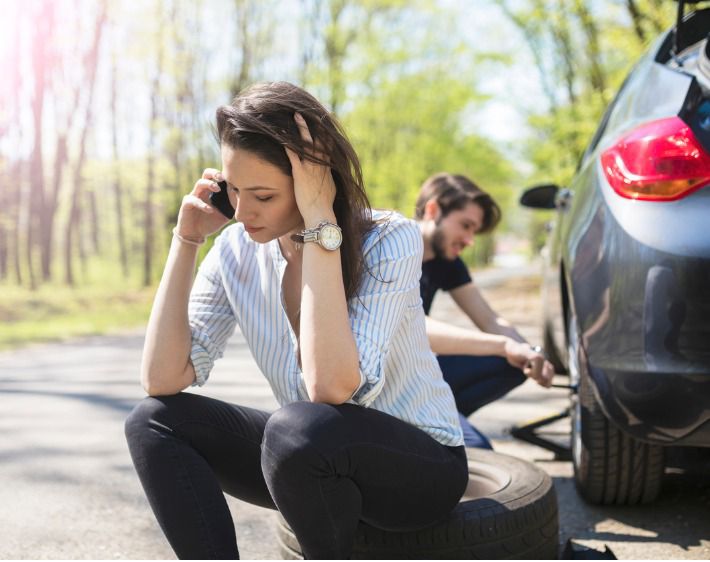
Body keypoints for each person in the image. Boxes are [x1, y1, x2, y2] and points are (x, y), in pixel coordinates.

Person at [124, 82, 468, 560]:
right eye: (235, 190)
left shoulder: (391, 240)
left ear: (313, 181)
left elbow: (331, 388)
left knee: (299, 428)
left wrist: (318, 223)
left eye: (263, 195)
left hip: (419, 470)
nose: (242, 213)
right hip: (308, 458)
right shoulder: (234, 250)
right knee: (154, 421)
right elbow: (161, 378)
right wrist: (185, 241)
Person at [415, 173, 555, 449]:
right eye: (465, 226)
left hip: (419, 370)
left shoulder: (447, 261)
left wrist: (530, 353)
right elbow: (410, 326)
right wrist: (503, 345)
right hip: (385, 380)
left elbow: (488, 318)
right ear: (433, 210)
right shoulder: (391, 247)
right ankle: (432, 426)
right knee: (478, 451)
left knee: (516, 362)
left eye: (474, 231)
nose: (469, 240)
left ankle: (434, 424)